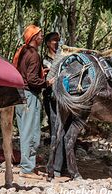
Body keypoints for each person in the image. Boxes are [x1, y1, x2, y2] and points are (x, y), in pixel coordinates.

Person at [13, 25, 54, 179]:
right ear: (34, 38)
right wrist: (46, 83)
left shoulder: (23, 51)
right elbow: (31, 80)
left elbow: (24, 73)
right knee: (30, 134)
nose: (42, 37)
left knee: (26, 132)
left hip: (20, 95)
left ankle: (27, 165)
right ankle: (27, 169)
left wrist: (40, 73)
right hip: (29, 96)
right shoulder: (34, 55)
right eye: (40, 35)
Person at [42, 32, 67, 177]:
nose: (56, 43)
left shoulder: (64, 58)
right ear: (47, 43)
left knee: (65, 129)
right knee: (56, 130)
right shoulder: (45, 61)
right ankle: (56, 167)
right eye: (53, 41)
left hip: (64, 98)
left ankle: (61, 165)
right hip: (51, 98)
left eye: (58, 40)